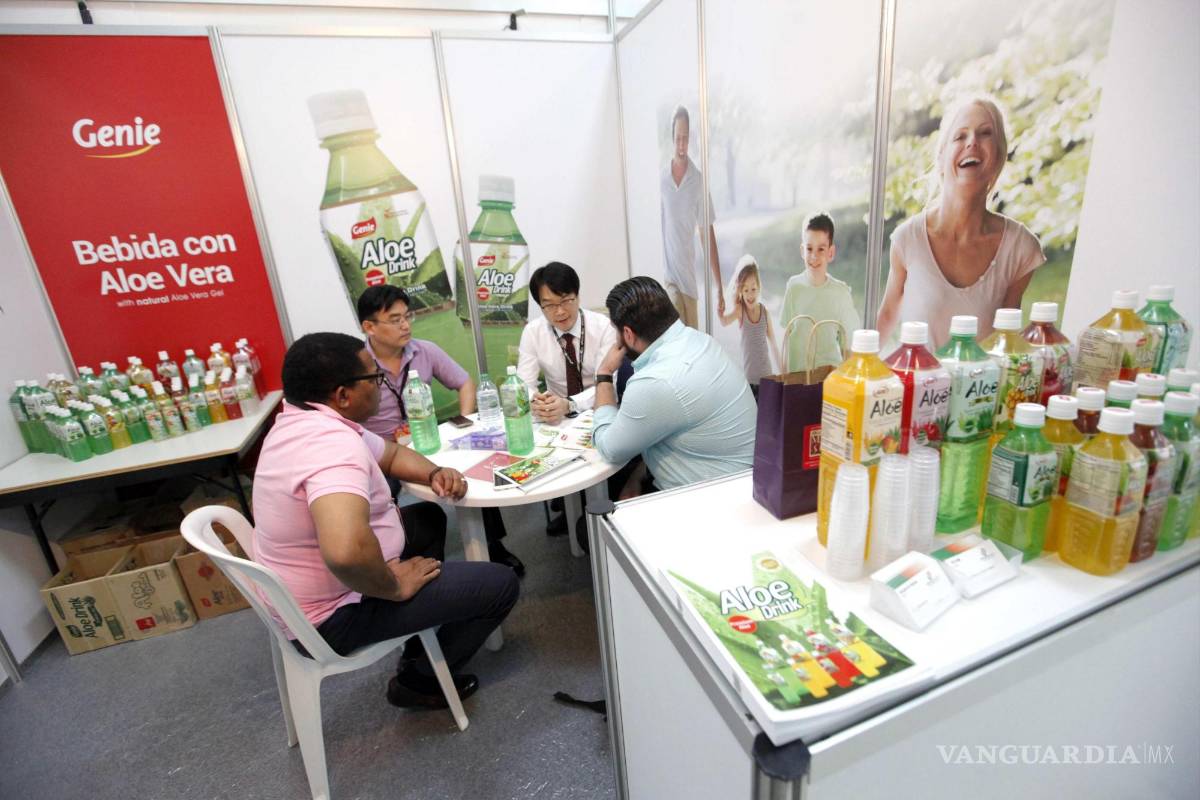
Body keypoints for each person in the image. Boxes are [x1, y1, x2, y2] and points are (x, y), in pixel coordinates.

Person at [252, 332, 519, 710]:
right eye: (373, 378)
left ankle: (416, 638)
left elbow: (391, 455)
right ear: (343, 395)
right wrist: (394, 587)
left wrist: (434, 471)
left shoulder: (302, 421)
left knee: (426, 518)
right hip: (332, 617)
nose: (380, 385)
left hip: (307, 596)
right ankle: (420, 682)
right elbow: (345, 552)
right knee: (500, 584)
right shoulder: (331, 448)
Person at [357, 286, 525, 576]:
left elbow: (464, 383)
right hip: (381, 452)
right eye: (395, 320)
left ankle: (492, 545)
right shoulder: (359, 365)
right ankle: (395, 563)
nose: (405, 325)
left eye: (407, 316)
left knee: (472, 469)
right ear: (369, 327)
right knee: (383, 500)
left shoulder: (424, 350)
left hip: (426, 437)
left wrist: (465, 420)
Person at [877, 96, 1046, 349]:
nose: (972, 142)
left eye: (985, 133)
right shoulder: (907, 239)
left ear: (999, 156)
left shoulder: (1020, 248)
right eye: (960, 136)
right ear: (941, 158)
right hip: (914, 376)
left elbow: (1005, 342)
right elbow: (888, 315)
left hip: (982, 377)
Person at [591, 276, 757, 491]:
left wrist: (604, 374)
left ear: (628, 334)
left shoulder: (655, 381)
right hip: (743, 481)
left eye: (617, 330)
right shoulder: (701, 341)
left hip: (708, 498)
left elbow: (609, 449)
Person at [517, 261, 619, 425]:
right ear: (540, 306)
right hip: (555, 417)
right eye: (549, 305)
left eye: (565, 301)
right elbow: (524, 384)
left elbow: (607, 384)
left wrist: (569, 404)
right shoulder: (533, 332)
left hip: (598, 411)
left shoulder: (604, 327)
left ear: (577, 296)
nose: (559, 311)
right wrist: (537, 402)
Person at [661, 105, 723, 328]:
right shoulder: (661, 180)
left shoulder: (697, 181)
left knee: (692, 340)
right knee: (676, 329)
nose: (681, 145)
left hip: (689, 283)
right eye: (678, 138)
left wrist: (719, 286)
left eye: (685, 139)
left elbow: (707, 235)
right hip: (669, 280)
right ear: (672, 138)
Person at [778, 213, 861, 371]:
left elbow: (849, 345)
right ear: (802, 251)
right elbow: (785, 336)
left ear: (831, 252)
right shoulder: (794, 287)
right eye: (809, 249)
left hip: (829, 379)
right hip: (798, 379)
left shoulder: (841, 293)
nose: (814, 256)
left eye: (821, 249)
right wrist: (784, 375)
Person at [719, 255, 782, 395]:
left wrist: (783, 372)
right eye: (746, 290)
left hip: (767, 378)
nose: (750, 295)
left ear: (759, 287)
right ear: (740, 291)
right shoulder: (740, 311)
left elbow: (774, 345)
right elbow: (724, 322)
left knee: (766, 409)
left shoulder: (765, 312)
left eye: (753, 289)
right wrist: (720, 310)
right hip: (749, 382)